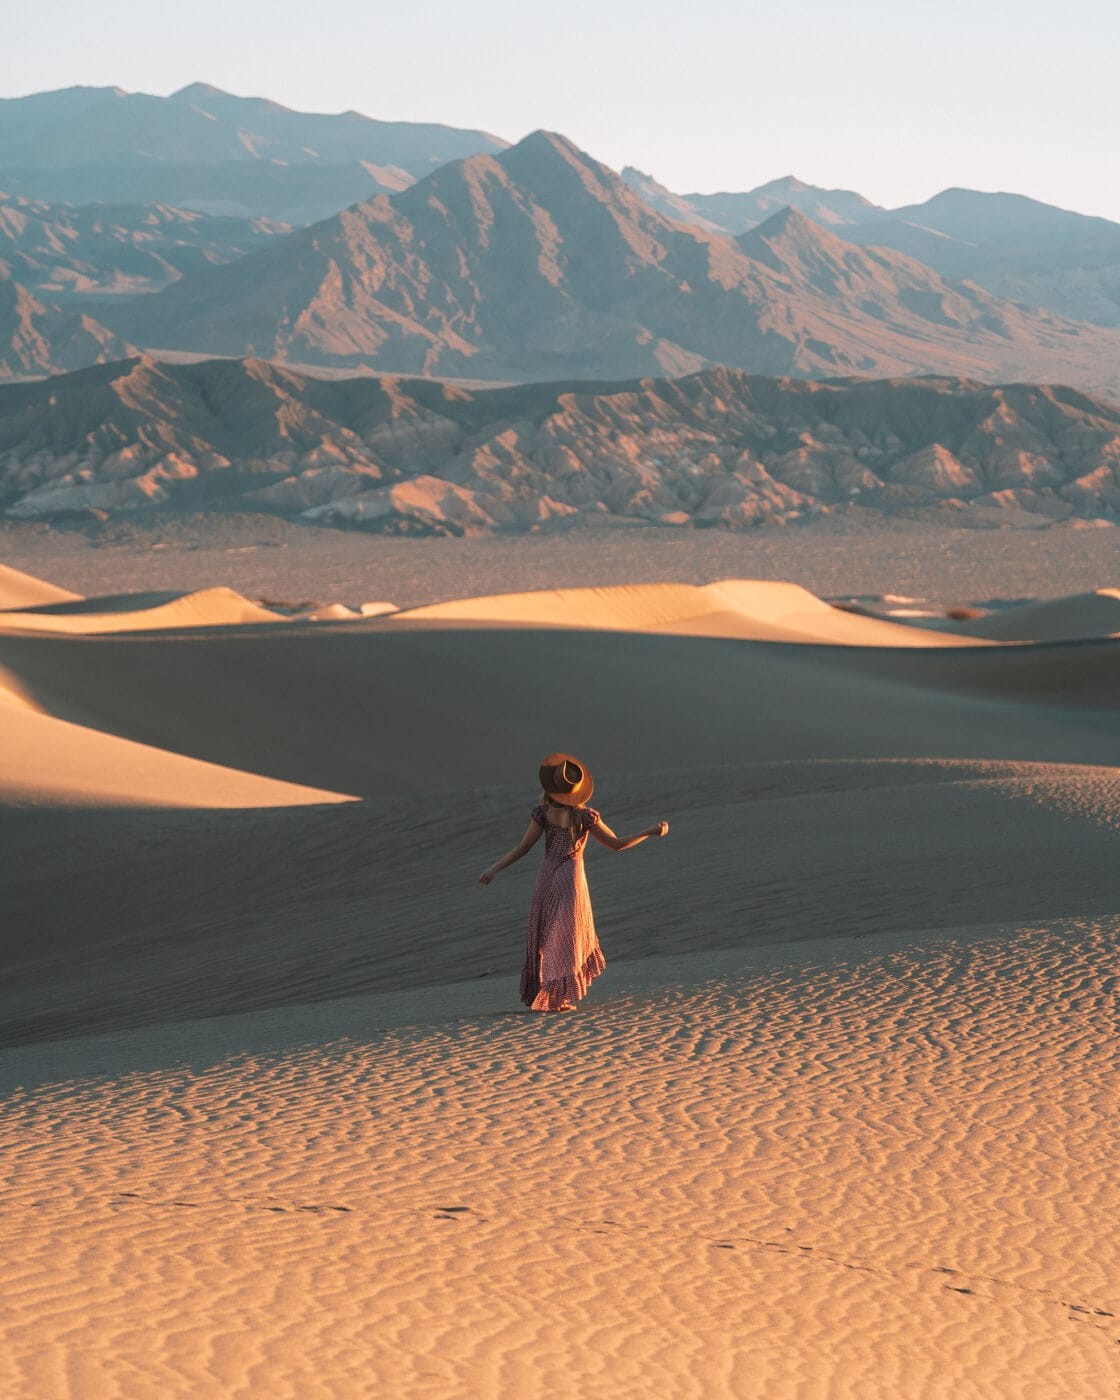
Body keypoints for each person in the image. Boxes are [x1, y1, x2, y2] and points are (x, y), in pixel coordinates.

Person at [479, 753, 669, 1012]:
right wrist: (650, 831)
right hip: (570, 880)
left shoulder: (542, 814)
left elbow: (523, 847)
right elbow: (617, 844)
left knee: (545, 938)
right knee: (567, 939)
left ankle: (547, 995)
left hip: (545, 878)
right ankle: (559, 999)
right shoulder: (586, 817)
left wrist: (494, 868)